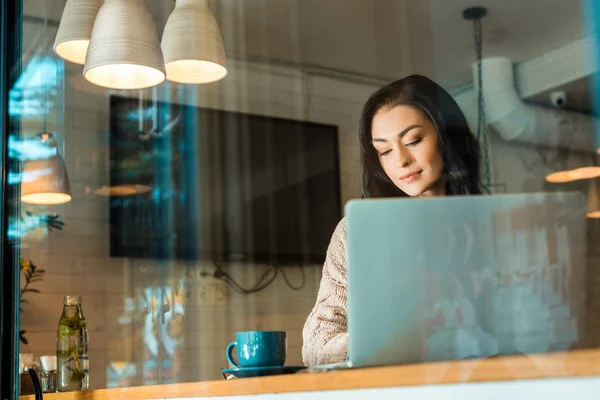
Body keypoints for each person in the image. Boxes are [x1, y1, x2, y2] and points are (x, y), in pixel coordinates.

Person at [302, 74, 482, 367]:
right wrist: (376, 343)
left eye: (413, 140)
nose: (400, 161)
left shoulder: (493, 223)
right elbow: (316, 344)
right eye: (384, 150)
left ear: (447, 137)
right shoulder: (359, 231)